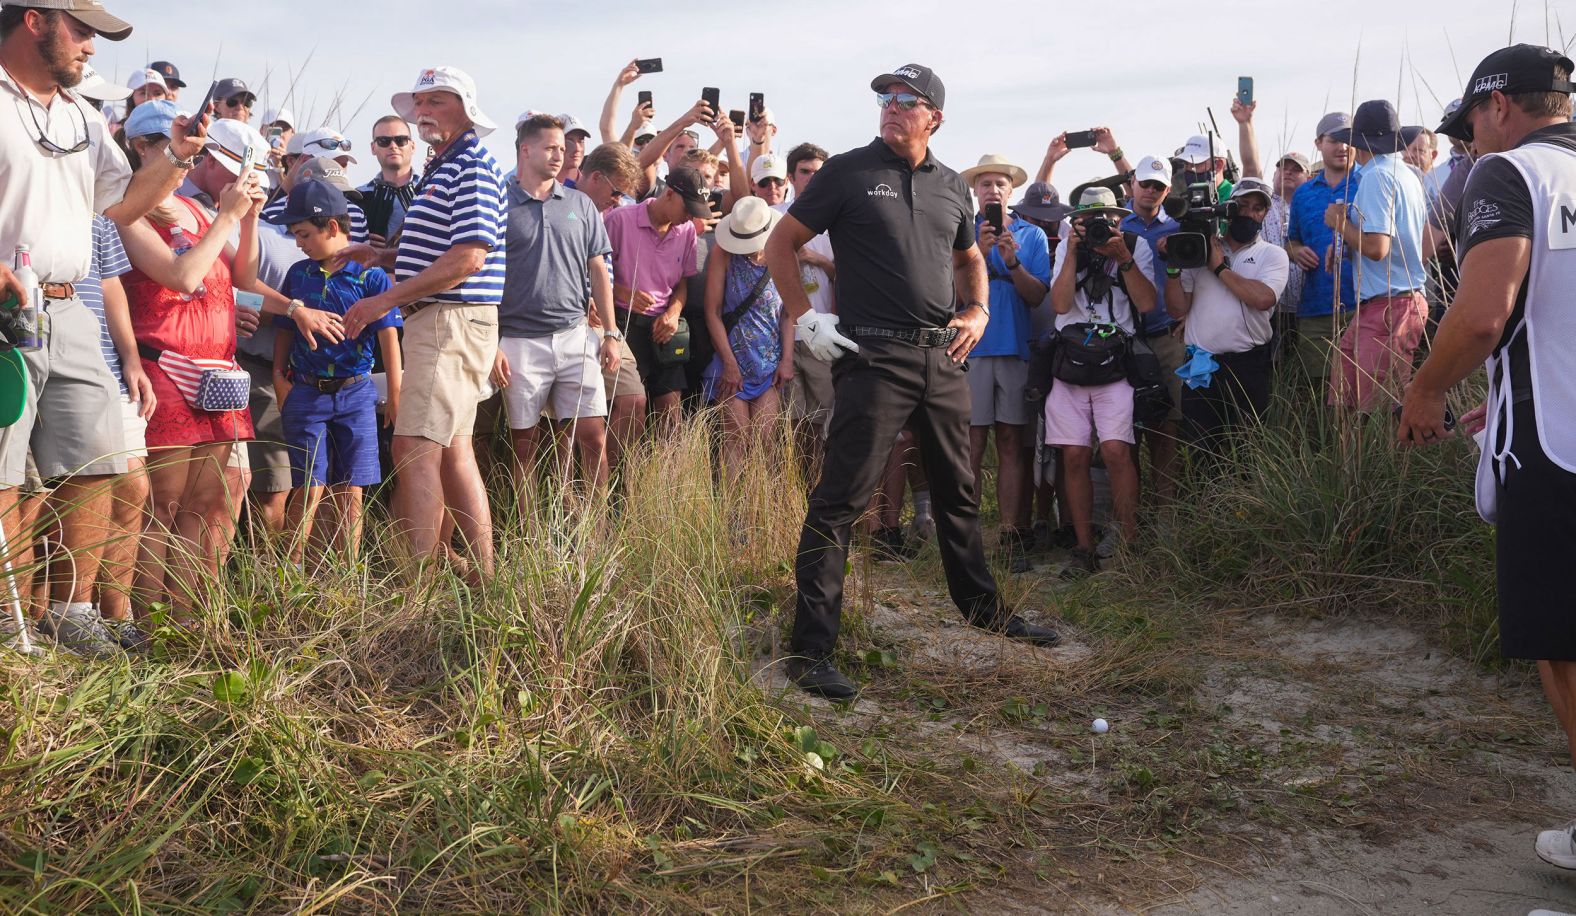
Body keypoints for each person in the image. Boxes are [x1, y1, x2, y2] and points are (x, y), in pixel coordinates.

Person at [764, 63, 1059, 700]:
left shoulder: (953, 185)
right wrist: (806, 319)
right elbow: (779, 244)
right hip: (873, 358)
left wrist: (977, 310)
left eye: (907, 100)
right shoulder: (848, 171)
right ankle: (810, 650)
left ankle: (983, 611)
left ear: (935, 117)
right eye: (884, 98)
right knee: (841, 499)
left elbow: (968, 259)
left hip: (943, 357)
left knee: (957, 489)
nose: (891, 107)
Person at [1394, 42, 1576, 873]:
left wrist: (1427, 390)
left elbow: (1479, 315)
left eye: (1469, 122)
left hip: (1560, 449)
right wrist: (1504, 389)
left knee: (1564, 647)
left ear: (1499, 105)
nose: (1469, 141)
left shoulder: (1511, 175)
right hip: (1542, 409)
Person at [0, 0, 217, 655]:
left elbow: (122, 206)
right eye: (83, 30)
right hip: (5, 311)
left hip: (68, 309)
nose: (92, 47)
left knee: (96, 462)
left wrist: (177, 158)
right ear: (34, 19)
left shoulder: (82, 117)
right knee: (4, 473)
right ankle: (9, 625)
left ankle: (70, 613)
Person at [339, 66, 506, 579]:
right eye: (420, 103)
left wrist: (382, 299)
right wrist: (386, 255)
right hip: (442, 318)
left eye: (435, 101)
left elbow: (468, 258)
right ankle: (478, 574)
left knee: (413, 445)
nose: (423, 112)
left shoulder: (470, 166)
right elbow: (443, 252)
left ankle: (417, 585)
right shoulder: (446, 165)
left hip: (448, 319)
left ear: (464, 106)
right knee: (453, 449)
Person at [115, 101, 268, 618]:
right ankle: (149, 626)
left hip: (217, 372)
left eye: (187, 148)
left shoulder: (199, 209)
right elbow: (182, 277)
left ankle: (188, 624)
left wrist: (247, 221)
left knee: (206, 506)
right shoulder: (130, 212)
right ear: (142, 150)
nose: (179, 157)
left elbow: (243, 280)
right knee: (162, 507)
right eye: (167, 146)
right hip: (168, 368)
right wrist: (227, 216)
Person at [269, 179, 402, 564]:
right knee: (309, 485)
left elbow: (388, 337)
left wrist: (394, 395)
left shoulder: (369, 276)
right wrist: (280, 378)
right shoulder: (299, 274)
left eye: (305, 234)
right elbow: (283, 328)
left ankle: (348, 575)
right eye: (295, 235)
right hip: (306, 392)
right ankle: (291, 573)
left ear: (332, 227)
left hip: (356, 393)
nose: (299, 243)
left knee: (352, 489)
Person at [492, 114, 619, 515]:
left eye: (562, 149)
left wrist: (611, 333)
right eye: (550, 148)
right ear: (525, 150)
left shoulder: (580, 203)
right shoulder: (498, 201)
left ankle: (596, 533)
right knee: (524, 446)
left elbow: (598, 268)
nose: (559, 155)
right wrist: (491, 341)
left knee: (593, 437)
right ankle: (530, 535)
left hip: (575, 335)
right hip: (517, 339)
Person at [1046, 188, 1157, 572]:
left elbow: (1146, 304)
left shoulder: (1133, 245)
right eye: (1088, 220)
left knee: (1115, 450)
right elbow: (1059, 305)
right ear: (1075, 222)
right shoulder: (1067, 247)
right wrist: (1073, 250)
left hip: (1115, 362)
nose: (1098, 226)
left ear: (1119, 220)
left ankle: (1128, 542)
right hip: (1070, 363)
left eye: (1106, 219)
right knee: (1074, 453)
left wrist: (1123, 259)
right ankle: (1084, 547)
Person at [959, 154, 1050, 573]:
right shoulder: (960, 232)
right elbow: (946, 292)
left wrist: (1011, 260)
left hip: (1014, 348)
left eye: (999, 184)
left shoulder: (1031, 235)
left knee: (1014, 442)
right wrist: (977, 249)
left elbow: (1036, 297)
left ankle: (1013, 535)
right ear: (975, 191)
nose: (992, 190)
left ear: (1010, 191)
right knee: (970, 446)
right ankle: (967, 539)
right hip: (969, 348)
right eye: (985, 184)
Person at [1162, 177, 1289, 469]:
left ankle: (1249, 509)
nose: (1249, 213)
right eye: (1242, 205)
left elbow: (1263, 299)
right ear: (1227, 208)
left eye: (1258, 208)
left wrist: (1218, 267)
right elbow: (1177, 309)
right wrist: (1172, 266)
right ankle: (1204, 511)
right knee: (1200, 451)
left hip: (1249, 366)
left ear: (1265, 214)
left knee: (1249, 448)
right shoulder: (1199, 249)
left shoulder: (1273, 255)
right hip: (1202, 366)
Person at [1325, 100, 1429, 411]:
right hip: (1393, 302)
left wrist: (1340, 225)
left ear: (1359, 141)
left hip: (1388, 305)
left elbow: (1376, 248)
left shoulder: (1375, 177)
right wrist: (1345, 241)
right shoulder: (1407, 174)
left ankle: (1369, 462)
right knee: (1348, 402)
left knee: (1374, 413)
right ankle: (1358, 460)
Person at [603, 164, 709, 434]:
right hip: (624, 325)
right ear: (670, 194)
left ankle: (660, 475)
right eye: (688, 209)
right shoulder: (619, 220)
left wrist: (673, 313)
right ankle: (621, 475)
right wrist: (621, 292)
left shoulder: (686, 232)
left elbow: (682, 284)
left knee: (671, 410)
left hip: (665, 329)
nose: (690, 218)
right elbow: (592, 272)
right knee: (629, 405)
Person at [701, 196, 789, 475]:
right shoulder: (723, 254)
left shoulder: (783, 252)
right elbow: (712, 311)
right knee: (735, 437)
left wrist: (787, 359)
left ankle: (759, 511)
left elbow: (788, 312)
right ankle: (731, 516)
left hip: (770, 365)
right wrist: (728, 363)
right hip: (732, 362)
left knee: (765, 441)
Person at [574, 141, 645, 471]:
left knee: (633, 398)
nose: (617, 202)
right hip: (562, 320)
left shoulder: (599, 214)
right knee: (561, 425)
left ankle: (617, 489)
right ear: (596, 177)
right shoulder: (565, 205)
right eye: (616, 192)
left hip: (603, 323)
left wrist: (609, 326)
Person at [1119, 155, 1185, 505]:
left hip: (1165, 335)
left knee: (1166, 427)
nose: (1150, 190)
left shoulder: (1177, 230)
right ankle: (1130, 512)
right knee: (1124, 430)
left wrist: (1191, 316)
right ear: (1132, 183)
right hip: (1123, 339)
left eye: (1158, 186)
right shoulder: (1116, 225)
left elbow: (1195, 282)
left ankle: (1166, 513)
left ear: (1167, 190)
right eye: (1145, 183)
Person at [1286, 112, 1360, 401]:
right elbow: (1292, 239)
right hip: (1315, 309)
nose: (1342, 146)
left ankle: (1362, 448)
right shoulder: (1303, 194)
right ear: (1319, 143)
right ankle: (1326, 447)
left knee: (1363, 391)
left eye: (1348, 139)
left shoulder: (1366, 182)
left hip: (1361, 304)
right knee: (1319, 396)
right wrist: (1295, 251)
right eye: (1335, 139)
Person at [780, 142, 836, 474]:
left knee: (822, 424)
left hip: (823, 334)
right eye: (805, 172)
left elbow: (845, 275)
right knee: (789, 425)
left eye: (819, 173)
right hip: (781, 335)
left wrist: (817, 259)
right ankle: (792, 501)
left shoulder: (837, 220)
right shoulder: (775, 215)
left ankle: (817, 496)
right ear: (791, 176)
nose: (812, 179)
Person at [358, 115, 419, 248]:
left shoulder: (431, 191)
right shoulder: (356, 197)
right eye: (384, 141)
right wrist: (362, 241)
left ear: (413, 146)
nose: (393, 146)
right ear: (373, 147)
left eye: (401, 140)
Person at [555, 112, 591, 186]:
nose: (577, 148)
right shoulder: (539, 187)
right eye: (569, 141)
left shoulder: (590, 188)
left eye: (581, 141)